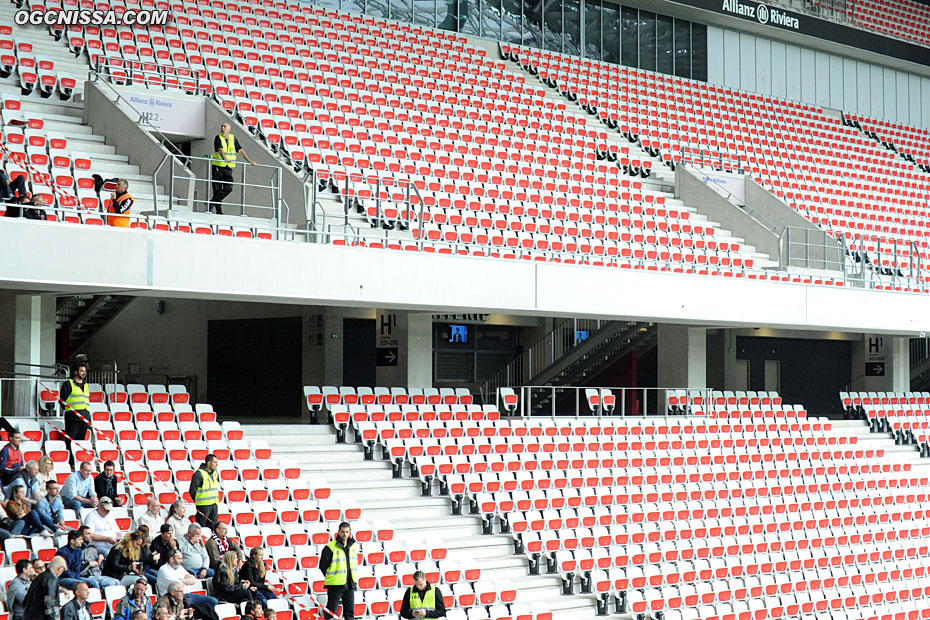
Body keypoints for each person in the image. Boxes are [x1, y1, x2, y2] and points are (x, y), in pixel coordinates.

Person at [209, 122, 255, 214]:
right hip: (218, 166)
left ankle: (211, 202)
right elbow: (220, 149)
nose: (222, 128)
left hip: (228, 168)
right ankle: (218, 210)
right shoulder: (218, 138)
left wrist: (249, 161)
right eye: (221, 126)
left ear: (229, 129)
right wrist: (225, 158)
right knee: (217, 189)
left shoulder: (233, 138)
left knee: (229, 187)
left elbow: (240, 150)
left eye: (224, 126)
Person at [157, 553, 219, 620]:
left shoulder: (180, 568)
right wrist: (184, 580)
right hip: (173, 598)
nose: (182, 561)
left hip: (188, 595)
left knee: (213, 601)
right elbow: (176, 584)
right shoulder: (163, 569)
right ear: (171, 559)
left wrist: (182, 580)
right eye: (179, 558)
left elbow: (193, 580)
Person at [319, 522, 358, 620]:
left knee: (350, 614)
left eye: (347, 532)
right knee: (331, 613)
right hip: (335, 585)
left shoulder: (353, 546)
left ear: (350, 533)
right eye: (343, 532)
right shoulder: (330, 547)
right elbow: (323, 566)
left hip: (349, 584)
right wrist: (332, 578)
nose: (345, 534)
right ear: (338, 532)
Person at [22, 555, 66, 620]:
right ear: (60, 568)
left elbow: (25, 601)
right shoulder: (51, 580)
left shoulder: (39, 578)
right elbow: (49, 605)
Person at [59, 363, 92, 443]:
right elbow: (62, 401)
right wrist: (69, 410)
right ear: (76, 372)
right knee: (71, 440)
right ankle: (70, 455)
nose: (84, 373)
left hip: (84, 417)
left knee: (81, 441)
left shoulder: (86, 385)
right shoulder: (68, 384)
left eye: (85, 371)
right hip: (73, 417)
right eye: (81, 371)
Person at [189, 456, 219, 530]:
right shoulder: (199, 474)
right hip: (203, 506)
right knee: (201, 527)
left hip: (214, 504)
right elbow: (192, 490)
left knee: (213, 527)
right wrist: (198, 500)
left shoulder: (215, 473)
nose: (217, 464)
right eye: (215, 462)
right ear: (209, 463)